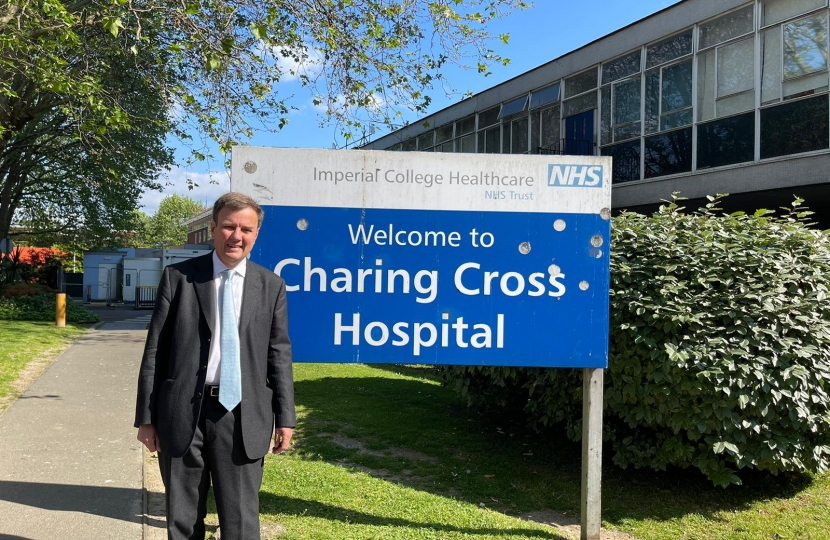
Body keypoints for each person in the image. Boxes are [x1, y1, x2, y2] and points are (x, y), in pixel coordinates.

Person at [134, 192, 295, 540]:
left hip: (242, 415)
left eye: (245, 229)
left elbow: (278, 354)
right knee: (182, 520)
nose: (236, 236)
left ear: (255, 234)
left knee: (239, 523)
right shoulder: (179, 278)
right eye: (228, 226)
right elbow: (155, 351)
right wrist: (146, 417)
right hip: (181, 413)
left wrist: (286, 418)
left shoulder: (271, 286)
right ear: (212, 228)